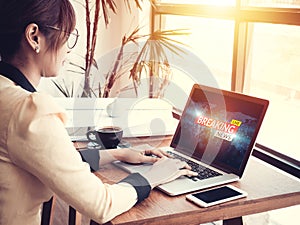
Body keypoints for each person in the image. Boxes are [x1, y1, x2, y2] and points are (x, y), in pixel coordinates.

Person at [0, 0, 197, 224]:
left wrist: (119, 154)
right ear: (34, 36)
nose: (68, 48)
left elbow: (56, 159)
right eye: (68, 35)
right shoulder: (27, 111)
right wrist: (153, 177)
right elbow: (101, 204)